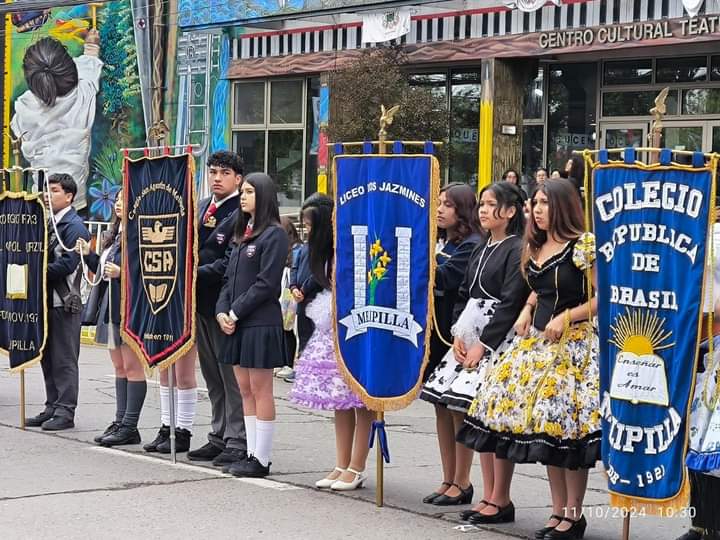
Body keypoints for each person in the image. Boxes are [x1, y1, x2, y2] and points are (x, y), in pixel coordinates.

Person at [457, 178, 600, 539]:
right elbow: (539, 287)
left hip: (573, 347)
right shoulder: (535, 246)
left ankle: (574, 515)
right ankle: (556, 512)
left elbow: (607, 297)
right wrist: (527, 309)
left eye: (545, 203)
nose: (537, 210)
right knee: (543, 434)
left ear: (563, 206)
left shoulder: (582, 246)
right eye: (534, 203)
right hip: (535, 344)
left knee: (566, 432)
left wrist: (568, 317)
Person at [421, 182, 529, 521]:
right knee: (443, 401)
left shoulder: (516, 249)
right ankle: (454, 480)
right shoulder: (483, 247)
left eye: (491, 204)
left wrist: (484, 343)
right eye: (481, 204)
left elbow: (511, 300)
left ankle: (490, 493)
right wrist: (458, 332)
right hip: (467, 331)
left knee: (478, 412)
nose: (483, 210)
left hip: (496, 336)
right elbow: (465, 293)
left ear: (510, 212)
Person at [288, 194, 373, 490]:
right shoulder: (321, 253)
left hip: (355, 325)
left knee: (361, 400)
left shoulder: (349, 248)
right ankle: (341, 463)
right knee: (341, 400)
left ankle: (357, 465)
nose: (306, 230)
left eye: (310, 225)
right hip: (331, 325)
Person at [216, 173, 289, 478]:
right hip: (236, 322)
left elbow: (266, 284)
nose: (243, 196)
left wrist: (235, 312)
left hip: (259, 322)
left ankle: (262, 457)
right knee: (244, 389)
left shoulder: (274, 234)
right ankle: (249, 452)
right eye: (243, 191)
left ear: (264, 196)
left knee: (260, 390)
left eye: (249, 191)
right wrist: (222, 311)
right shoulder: (241, 234)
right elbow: (228, 280)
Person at [186, 151, 248, 466]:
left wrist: (192, 273)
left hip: (225, 303)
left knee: (230, 376)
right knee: (212, 375)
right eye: (212, 172)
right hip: (200, 302)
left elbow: (229, 261)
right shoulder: (201, 208)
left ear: (238, 178)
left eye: (224, 173)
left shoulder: (242, 210)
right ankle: (219, 434)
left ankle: (238, 439)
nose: (216, 178)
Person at [421, 182, 482, 506]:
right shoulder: (441, 241)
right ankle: (448, 478)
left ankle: (463, 480)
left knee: (457, 407)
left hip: (456, 334)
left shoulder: (472, 245)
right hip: (436, 331)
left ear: (463, 210)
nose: (440, 209)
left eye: (448, 204)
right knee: (439, 407)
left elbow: (443, 278)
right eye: (438, 203)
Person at [76, 189, 146, 445]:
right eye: (116, 200)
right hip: (110, 304)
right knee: (119, 366)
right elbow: (103, 272)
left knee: (131, 366)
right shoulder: (114, 234)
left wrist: (123, 273)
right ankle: (120, 420)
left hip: (130, 306)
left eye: (123, 200)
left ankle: (130, 424)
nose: (118, 204)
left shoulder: (141, 235)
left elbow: (150, 274)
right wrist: (89, 255)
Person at [11, 31, 103, 210]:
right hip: (75, 200)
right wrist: (91, 45)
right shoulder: (83, 95)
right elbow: (89, 70)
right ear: (70, 72)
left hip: (40, 199)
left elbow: (20, 138)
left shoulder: (24, 108)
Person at [27, 173, 90, 430]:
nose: (47, 195)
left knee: (64, 358)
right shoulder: (49, 222)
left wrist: (33, 270)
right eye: (47, 190)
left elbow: (68, 264)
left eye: (53, 190)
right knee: (48, 356)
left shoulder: (74, 226)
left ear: (69, 196)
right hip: (45, 301)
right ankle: (52, 405)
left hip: (65, 301)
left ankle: (65, 410)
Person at [277, 216, 303, 382]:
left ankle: (292, 365)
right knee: (285, 329)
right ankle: (285, 363)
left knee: (293, 330)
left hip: (292, 294)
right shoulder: (283, 249)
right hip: (284, 293)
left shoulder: (297, 249)